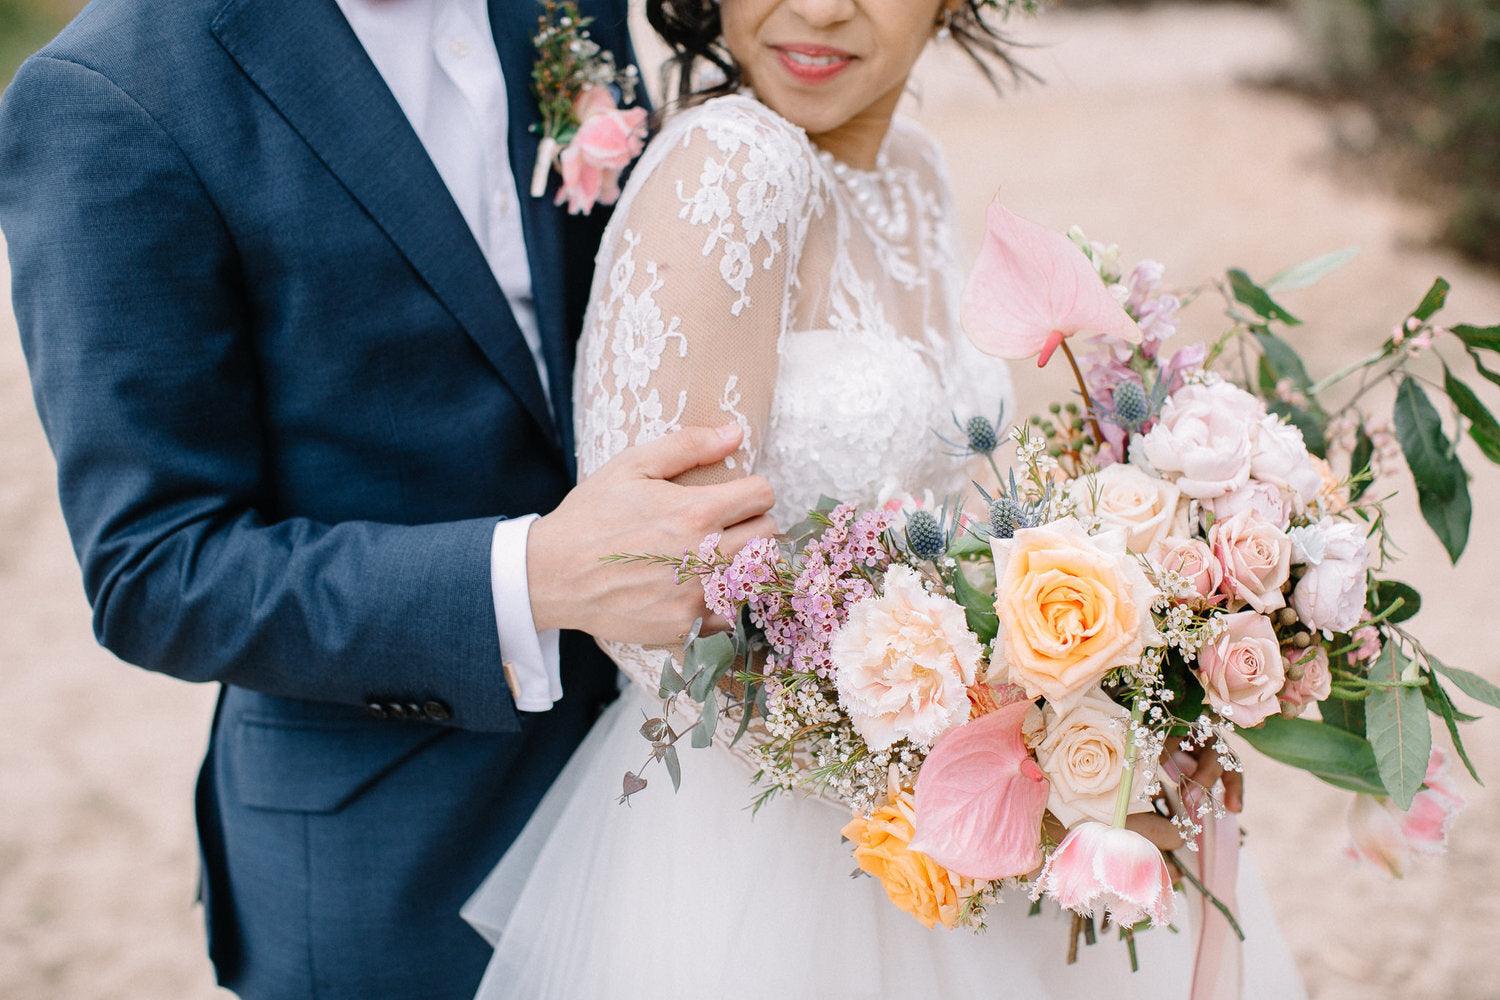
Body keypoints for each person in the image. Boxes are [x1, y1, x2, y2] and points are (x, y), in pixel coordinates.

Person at [461, 1, 1308, 997]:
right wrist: (991, 804)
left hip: (964, 790)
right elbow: (661, 614)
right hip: (767, 863)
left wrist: (1096, 700)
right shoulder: (727, 168)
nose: (818, 8)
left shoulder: (911, 167)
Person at [0, 1, 774, 997]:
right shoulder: (112, 94)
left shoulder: (563, 8)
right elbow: (157, 571)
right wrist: (531, 578)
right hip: (393, 864)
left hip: (667, 807)